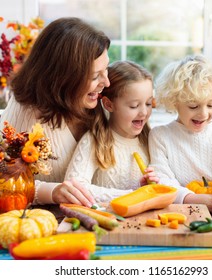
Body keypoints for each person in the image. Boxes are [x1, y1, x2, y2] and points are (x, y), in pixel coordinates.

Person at [0, 17, 111, 207]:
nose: (106, 83)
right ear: (63, 77)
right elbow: (2, 183)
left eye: (106, 69)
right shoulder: (26, 109)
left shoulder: (102, 102)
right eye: (94, 76)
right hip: (42, 220)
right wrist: (52, 192)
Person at [148, 55, 212, 213]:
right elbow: (162, 179)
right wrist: (190, 198)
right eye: (193, 106)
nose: (203, 114)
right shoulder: (160, 136)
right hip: (179, 211)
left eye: (210, 105)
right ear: (175, 102)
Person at [64, 60, 158, 203]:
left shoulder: (151, 139)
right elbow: (75, 187)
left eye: (149, 103)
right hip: (104, 221)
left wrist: (151, 185)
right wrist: (132, 195)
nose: (144, 112)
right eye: (134, 106)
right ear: (108, 104)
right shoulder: (95, 140)